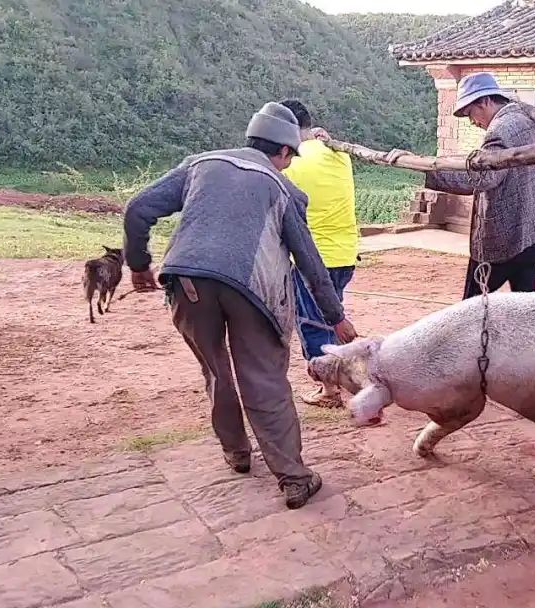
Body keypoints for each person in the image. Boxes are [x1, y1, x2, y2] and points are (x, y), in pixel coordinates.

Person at [123, 102, 358, 510]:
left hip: (186, 282)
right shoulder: (283, 188)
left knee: (216, 370)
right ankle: (294, 478)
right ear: (284, 152)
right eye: (289, 158)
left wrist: (139, 266)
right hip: (252, 290)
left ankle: (236, 453)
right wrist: (336, 316)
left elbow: (137, 209)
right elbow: (308, 259)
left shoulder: (200, 164)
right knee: (264, 379)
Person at [414, 72, 535, 299]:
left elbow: (482, 177)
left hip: (503, 243)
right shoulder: (533, 118)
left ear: (486, 101)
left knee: (471, 308)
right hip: (534, 237)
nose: (473, 122)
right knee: (523, 307)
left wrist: (427, 173)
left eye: (471, 113)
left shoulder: (500, 130)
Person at [279, 99, 359, 407]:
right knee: (333, 315)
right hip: (346, 253)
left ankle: (330, 389)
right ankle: (338, 376)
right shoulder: (338, 155)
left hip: (313, 259)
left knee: (312, 322)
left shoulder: (289, 162)